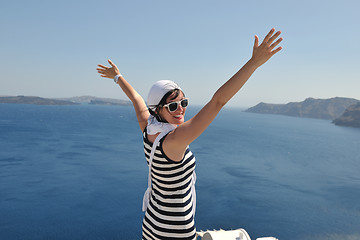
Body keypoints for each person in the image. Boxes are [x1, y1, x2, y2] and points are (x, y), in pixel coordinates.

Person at [96, 28, 283, 240]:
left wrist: (117, 77)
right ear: (158, 109)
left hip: (151, 227)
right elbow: (218, 101)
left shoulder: (149, 127)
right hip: (175, 234)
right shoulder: (174, 140)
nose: (181, 110)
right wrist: (253, 64)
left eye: (183, 103)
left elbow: (136, 99)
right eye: (173, 106)